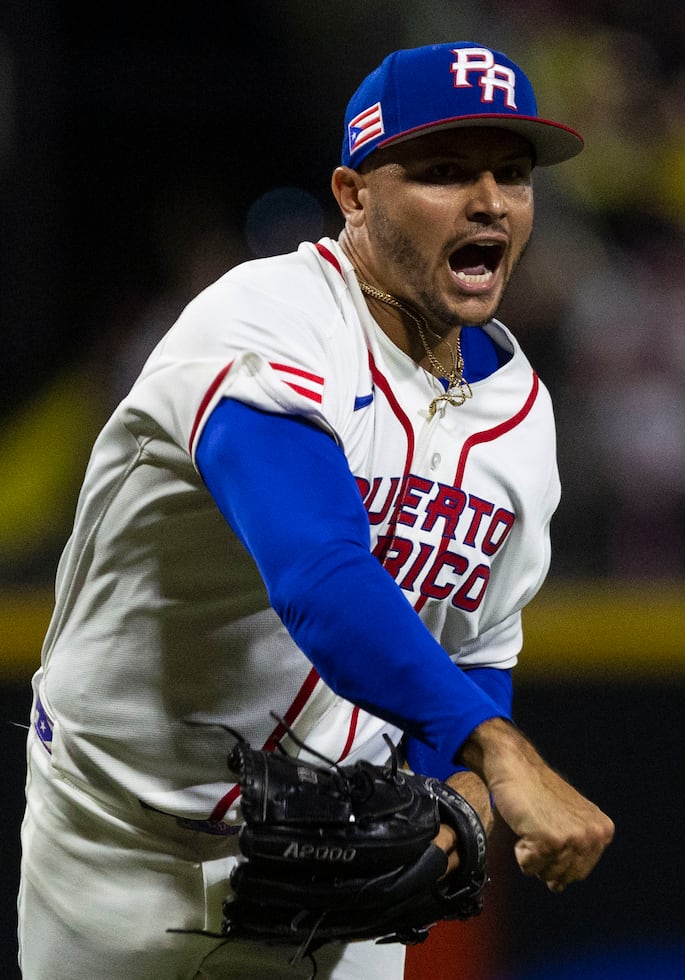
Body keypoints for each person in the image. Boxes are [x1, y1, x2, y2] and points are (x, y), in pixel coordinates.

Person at [17, 40, 614, 980]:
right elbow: (320, 577)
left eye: (514, 173)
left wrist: (462, 789)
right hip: (124, 848)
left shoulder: (524, 418)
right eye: (446, 171)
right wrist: (498, 751)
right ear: (353, 194)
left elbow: (476, 648)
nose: (490, 200)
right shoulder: (262, 320)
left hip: (339, 859)